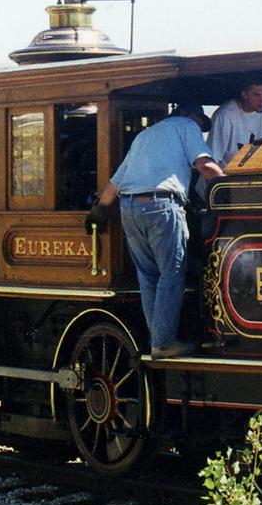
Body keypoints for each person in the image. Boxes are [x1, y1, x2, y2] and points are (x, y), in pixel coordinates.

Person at [86, 101, 224, 358]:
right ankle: (163, 342)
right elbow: (205, 166)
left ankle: (157, 341)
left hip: (129, 208)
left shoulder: (144, 135)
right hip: (162, 205)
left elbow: (115, 184)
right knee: (171, 274)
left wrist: (99, 211)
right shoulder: (187, 125)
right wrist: (230, 190)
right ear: (191, 115)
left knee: (149, 277)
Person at [206, 73, 262, 167]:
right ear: (244, 95)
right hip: (227, 178)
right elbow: (212, 160)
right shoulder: (224, 116)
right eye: (257, 95)